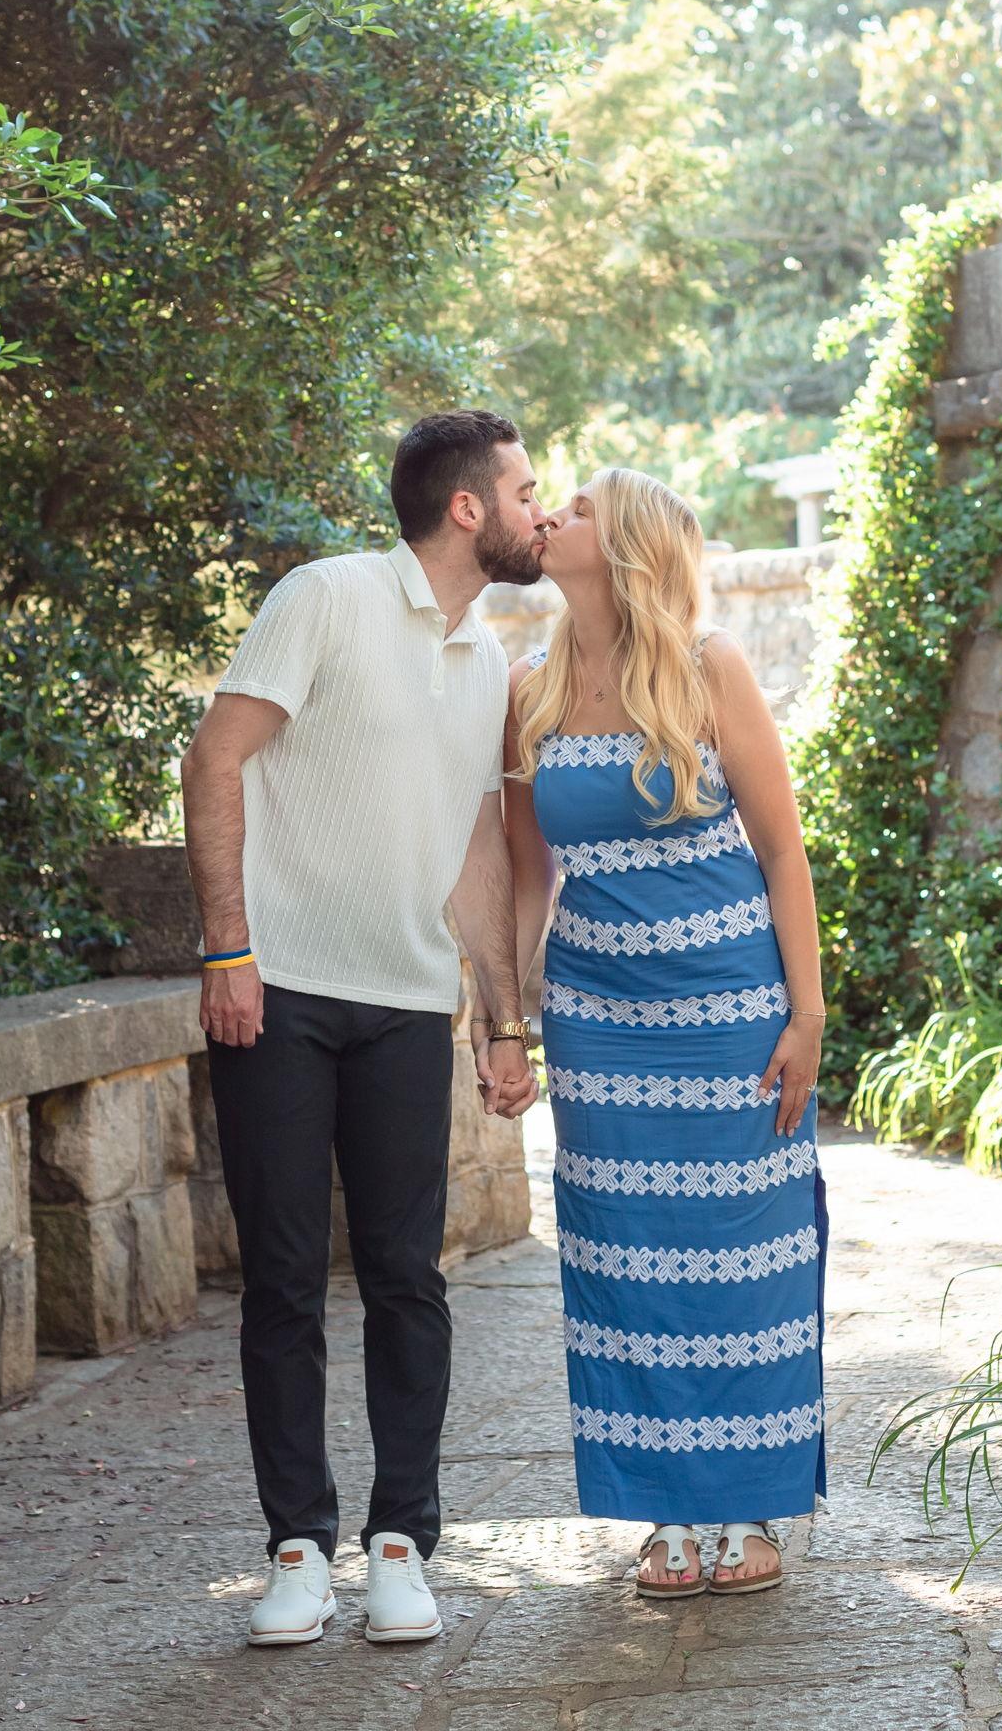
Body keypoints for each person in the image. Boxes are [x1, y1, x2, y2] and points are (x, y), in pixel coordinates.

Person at [180, 410, 547, 1648]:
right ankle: (295, 1548)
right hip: (275, 991)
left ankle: (400, 1544)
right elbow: (214, 758)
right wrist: (227, 947)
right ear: (465, 507)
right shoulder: (325, 597)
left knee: (407, 1278)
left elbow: (477, 848)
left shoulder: (487, 660)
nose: (539, 511)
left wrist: (503, 1018)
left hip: (405, 1005)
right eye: (525, 490)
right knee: (282, 1278)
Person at [495, 467, 828, 1598]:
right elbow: (528, 874)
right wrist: (507, 1018)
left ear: (628, 543)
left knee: (744, 1257)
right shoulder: (528, 688)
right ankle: (665, 1513)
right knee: (622, 1258)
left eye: (580, 506)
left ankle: (748, 1501)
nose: (553, 514)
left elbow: (782, 851)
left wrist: (806, 1015)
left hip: (730, 1012)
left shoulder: (706, 665)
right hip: (597, 1023)